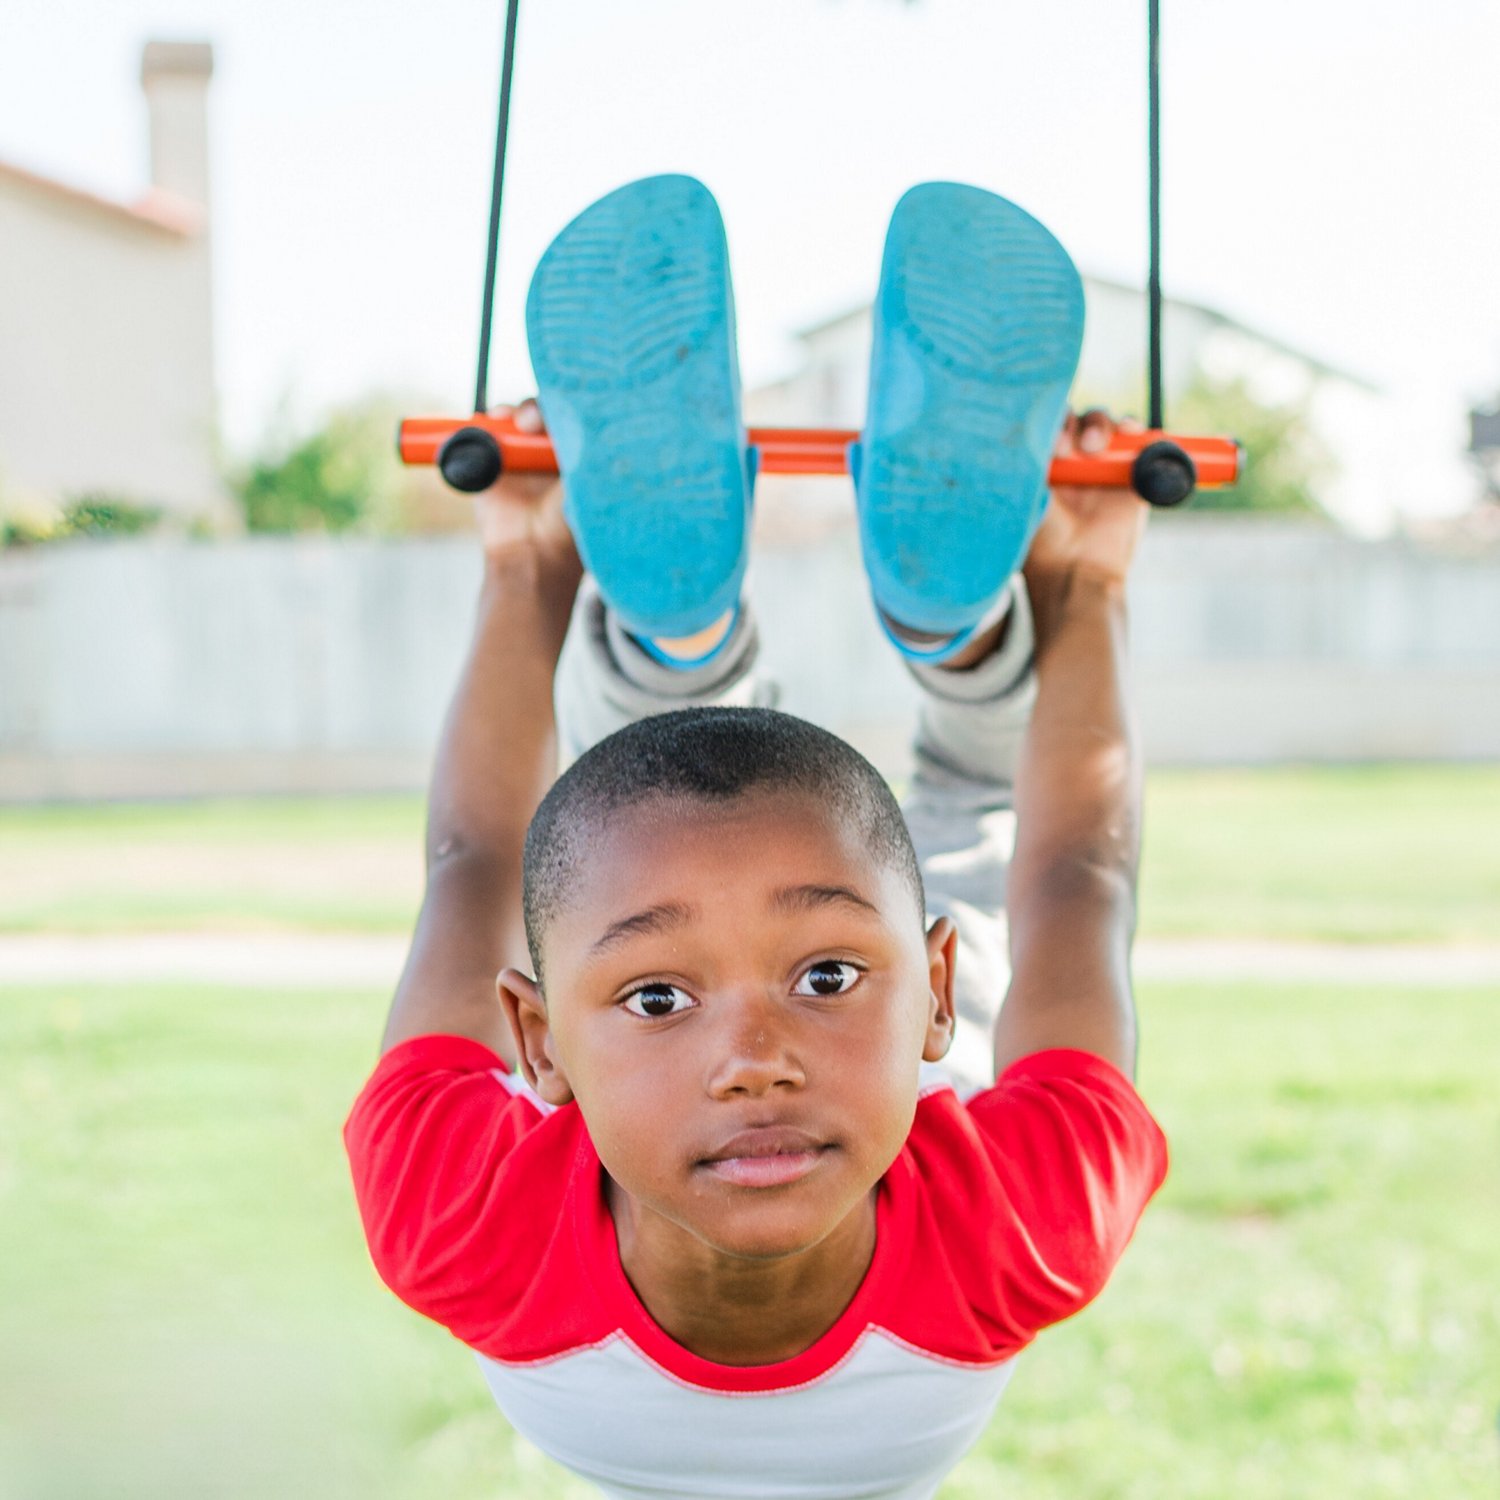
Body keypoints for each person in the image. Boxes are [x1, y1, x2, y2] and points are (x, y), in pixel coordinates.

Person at [345, 176, 1168, 1500]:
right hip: (918, 1062)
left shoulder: (465, 1222)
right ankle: (931, 628)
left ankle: (681, 632)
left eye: (822, 977)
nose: (756, 1061)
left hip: (891, 997)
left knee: (723, 822)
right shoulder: (1022, 1225)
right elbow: (480, 870)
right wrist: (1089, 582)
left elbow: (472, 865)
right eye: (667, 998)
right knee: (951, 812)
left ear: (533, 1039)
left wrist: (526, 565)